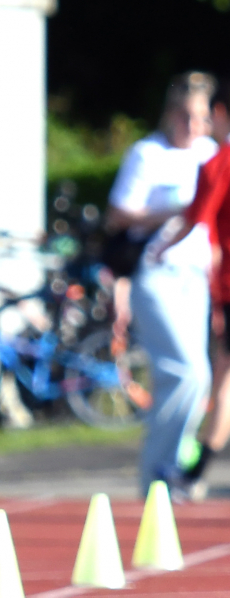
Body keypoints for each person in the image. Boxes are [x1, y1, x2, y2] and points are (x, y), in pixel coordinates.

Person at [107, 73, 217, 496]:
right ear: (171, 114)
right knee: (185, 372)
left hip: (196, 279)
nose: (193, 125)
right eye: (185, 115)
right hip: (157, 276)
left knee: (198, 378)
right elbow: (120, 213)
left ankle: (169, 466)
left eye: (201, 117)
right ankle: (159, 472)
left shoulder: (211, 154)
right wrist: (174, 210)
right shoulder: (148, 154)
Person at [154, 78, 230, 491]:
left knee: (224, 380)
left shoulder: (218, 163)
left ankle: (197, 471)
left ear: (219, 114)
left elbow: (197, 217)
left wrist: (163, 247)